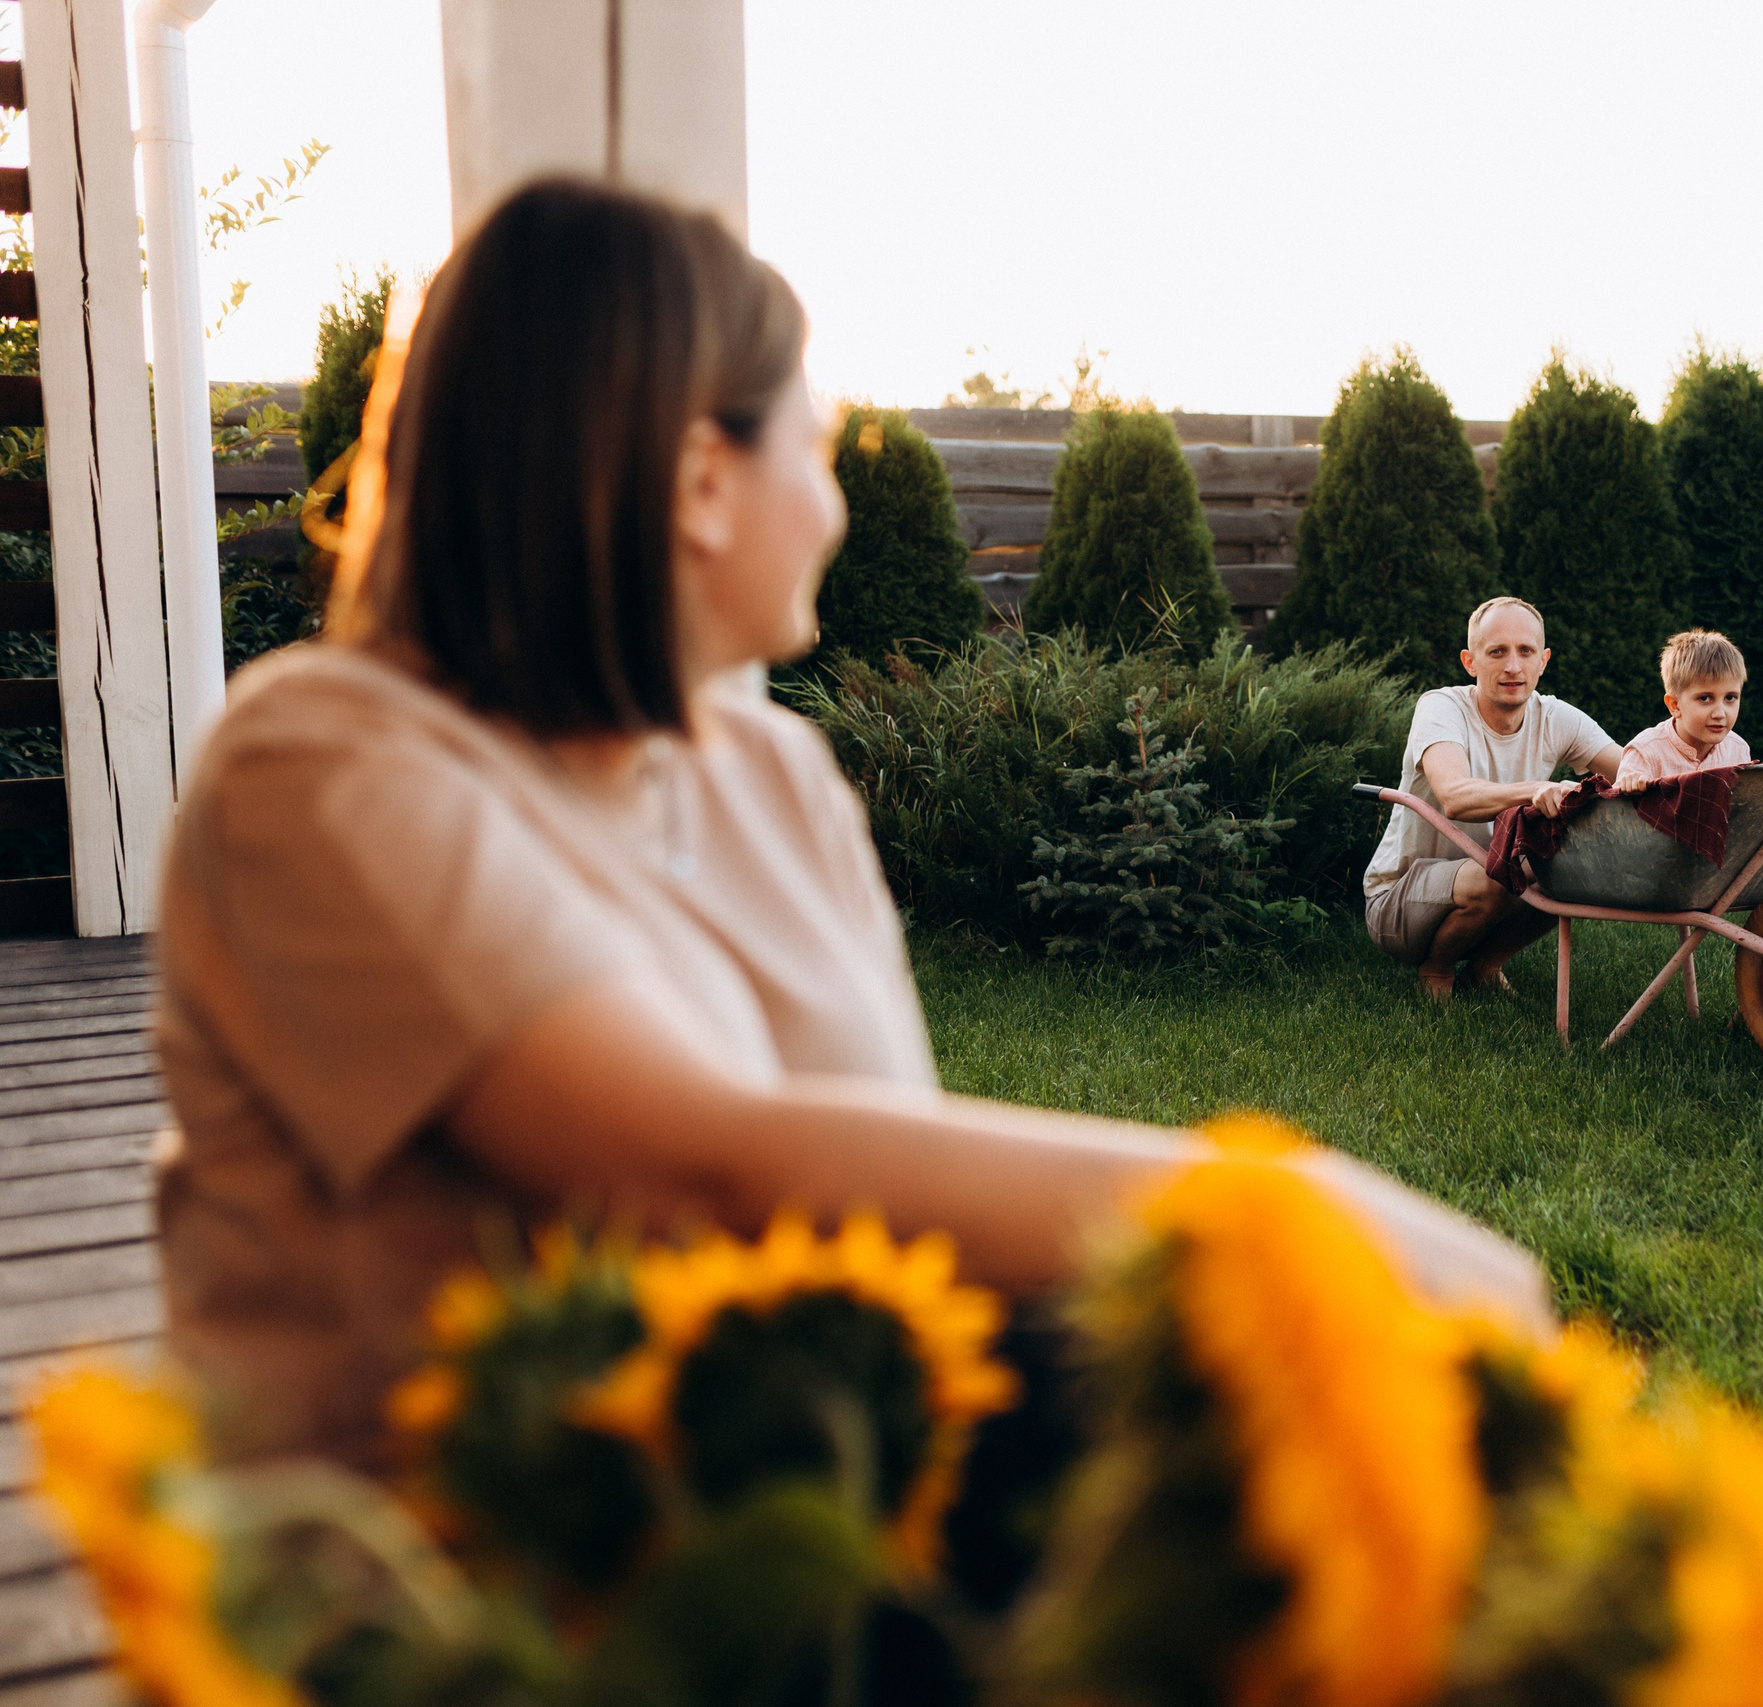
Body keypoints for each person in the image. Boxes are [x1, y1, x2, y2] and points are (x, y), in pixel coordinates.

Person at [151, 180, 1546, 1472]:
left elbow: (902, 1217)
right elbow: (695, 1169)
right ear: (701, 483)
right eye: (818, 447)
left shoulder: (769, 772)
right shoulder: (319, 768)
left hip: (816, 1557)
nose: (836, 504)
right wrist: (1298, 1221)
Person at [1362, 596, 1621, 998]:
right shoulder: (1440, 707)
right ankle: (1436, 971)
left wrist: (1691, 744)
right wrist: (1535, 789)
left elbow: (1635, 770)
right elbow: (1455, 796)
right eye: (1497, 652)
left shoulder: (1555, 717)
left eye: (1525, 651)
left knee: (1568, 869)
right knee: (1496, 879)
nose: (1513, 666)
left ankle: (1483, 968)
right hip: (1399, 903)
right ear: (1470, 662)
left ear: (1544, 660)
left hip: (1488, 881)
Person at [1613, 629, 1753, 788]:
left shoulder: (1738, 750)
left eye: (1730, 698)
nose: (1720, 714)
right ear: (1674, 705)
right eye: (1705, 698)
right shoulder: (1645, 752)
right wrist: (1630, 785)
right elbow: (1616, 810)